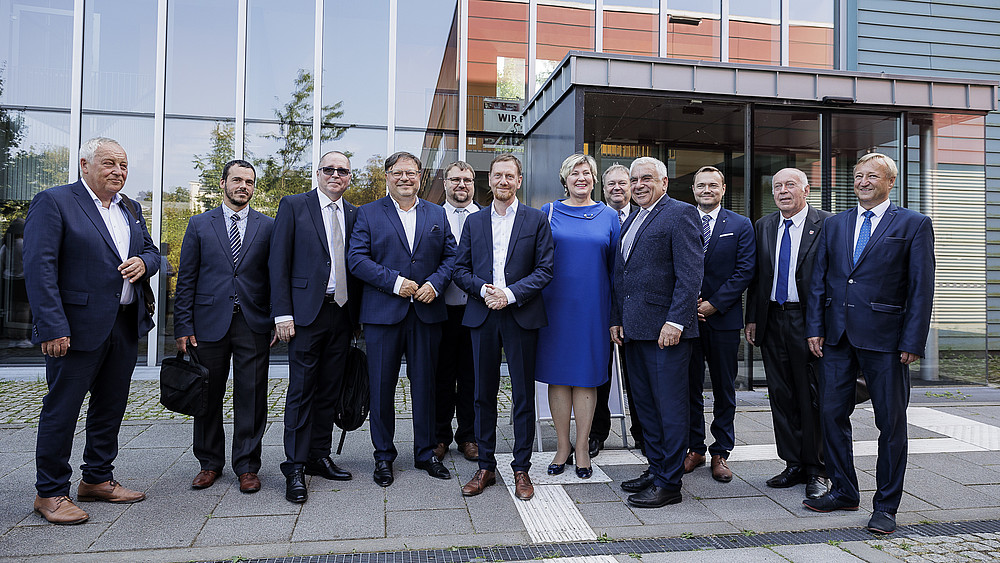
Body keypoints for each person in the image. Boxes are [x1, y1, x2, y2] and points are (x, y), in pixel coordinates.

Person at [24, 137, 159, 524]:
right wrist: (51, 325)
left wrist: (143, 263)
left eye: (124, 164)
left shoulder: (130, 207)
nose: (118, 171)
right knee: (62, 409)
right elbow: (40, 266)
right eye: (109, 163)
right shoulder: (55, 201)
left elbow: (151, 250)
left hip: (123, 323)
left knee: (110, 406)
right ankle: (50, 492)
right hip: (74, 328)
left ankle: (97, 479)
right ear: (85, 164)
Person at [805, 153, 934, 535]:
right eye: (858, 175)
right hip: (837, 336)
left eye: (872, 176)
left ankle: (886, 506)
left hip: (887, 341)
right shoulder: (836, 223)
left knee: (890, 424)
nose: (863, 181)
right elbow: (819, 280)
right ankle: (844, 490)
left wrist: (913, 339)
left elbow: (921, 289)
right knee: (830, 413)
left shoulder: (913, 224)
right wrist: (815, 327)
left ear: (890, 182)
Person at [348, 151, 457, 488]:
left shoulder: (437, 213)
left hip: (426, 313)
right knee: (382, 387)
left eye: (411, 173)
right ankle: (384, 457)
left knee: (426, 386)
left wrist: (435, 285)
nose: (405, 179)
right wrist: (395, 283)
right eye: (398, 173)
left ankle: (426, 453)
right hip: (384, 314)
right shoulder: (367, 213)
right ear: (387, 176)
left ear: (420, 177)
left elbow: (452, 256)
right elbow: (356, 259)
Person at [453, 154, 554, 501]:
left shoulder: (537, 220)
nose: (503, 182)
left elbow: (544, 270)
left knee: (523, 395)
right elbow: (459, 269)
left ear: (519, 180)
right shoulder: (474, 222)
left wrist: (509, 295)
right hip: (482, 314)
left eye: (510, 176)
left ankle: (521, 468)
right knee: (482, 393)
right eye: (498, 176)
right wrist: (484, 291)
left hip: (520, 313)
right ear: (490, 180)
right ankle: (485, 466)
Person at [174, 159, 273, 494]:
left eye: (248, 181)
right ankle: (209, 463)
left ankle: (247, 466)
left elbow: (275, 278)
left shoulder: (268, 226)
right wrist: (182, 326)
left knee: (253, 395)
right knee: (207, 395)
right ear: (223, 183)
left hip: (252, 322)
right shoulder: (200, 224)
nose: (242, 186)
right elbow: (186, 279)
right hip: (207, 324)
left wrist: (276, 318)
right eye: (236, 180)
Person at [610, 156, 702, 509]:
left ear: (664, 182)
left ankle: (669, 483)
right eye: (634, 180)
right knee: (645, 407)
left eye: (646, 179)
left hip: (666, 331)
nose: (638, 185)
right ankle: (656, 466)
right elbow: (623, 276)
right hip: (634, 330)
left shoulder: (680, 214)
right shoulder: (632, 218)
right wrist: (617, 317)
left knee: (669, 408)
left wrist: (676, 322)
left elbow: (691, 274)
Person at [270, 150, 362, 504]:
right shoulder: (294, 205)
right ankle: (294, 464)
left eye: (343, 171)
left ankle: (318, 455)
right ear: (318, 173)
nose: (336, 175)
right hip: (305, 315)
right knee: (302, 391)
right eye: (329, 169)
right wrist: (282, 314)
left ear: (349, 177)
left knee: (330, 390)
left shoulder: (355, 213)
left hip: (341, 314)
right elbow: (278, 262)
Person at [745, 167, 831, 500]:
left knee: (811, 396)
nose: (782, 191)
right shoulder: (764, 226)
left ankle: (817, 469)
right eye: (777, 185)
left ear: (806, 190)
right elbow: (758, 277)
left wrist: (820, 326)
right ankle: (793, 463)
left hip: (807, 322)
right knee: (781, 395)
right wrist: (753, 317)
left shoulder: (826, 224)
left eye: (790, 185)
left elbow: (831, 279)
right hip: (772, 319)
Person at [536, 154, 618, 479]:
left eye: (586, 173)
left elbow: (616, 270)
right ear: (564, 179)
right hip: (554, 308)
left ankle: (582, 447)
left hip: (593, 309)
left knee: (586, 377)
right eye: (574, 173)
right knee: (558, 377)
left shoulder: (610, 216)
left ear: (594, 178)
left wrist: (615, 315)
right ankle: (562, 447)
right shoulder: (549, 212)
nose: (580, 178)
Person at [684, 166, 755, 483]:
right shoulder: (682, 220)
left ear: (724, 188)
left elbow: (744, 271)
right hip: (687, 320)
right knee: (689, 387)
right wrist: (688, 306)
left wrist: (713, 305)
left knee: (725, 389)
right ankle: (694, 448)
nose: (707, 189)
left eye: (713, 185)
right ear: (694, 190)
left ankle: (721, 452)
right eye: (701, 185)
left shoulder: (740, 225)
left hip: (723, 319)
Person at [590, 164, 645, 457]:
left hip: (634, 312)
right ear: (603, 186)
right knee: (600, 375)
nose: (617, 188)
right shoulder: (595, 217)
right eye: (611, 183)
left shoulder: (644, 217)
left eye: (623, 183)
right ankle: (597, 433)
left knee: (637, 375)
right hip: (599, 309)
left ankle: (642, 433)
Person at [433, 161, 481, 463]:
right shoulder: (431, 216)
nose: (461, 185)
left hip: (475, 310)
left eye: (467, 179)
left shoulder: (487, 216)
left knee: (472, 377)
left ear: (474, 183)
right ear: (445, 182)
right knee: (440, 376)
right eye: (455, 179)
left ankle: (469, 436)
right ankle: (439, 437)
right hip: (440, 310)